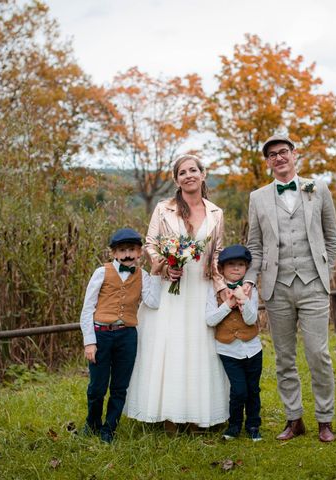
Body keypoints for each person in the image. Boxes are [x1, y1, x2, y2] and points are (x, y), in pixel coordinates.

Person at [245, 134, 336, 443]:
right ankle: (294, 419)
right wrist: (250, 280)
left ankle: (325, 420)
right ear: (268, 161)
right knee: (284, 357)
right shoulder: (257, 197)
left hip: (314, 285)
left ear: (294, 154)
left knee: (318, 354)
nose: (278, 158)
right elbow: (255, 247)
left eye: (283, 152)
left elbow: (332, 237)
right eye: (272, 155)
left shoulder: (318, 188)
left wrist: (325, 271)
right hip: (276, 287)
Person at [124, 154, 229, 430]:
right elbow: (150, 243)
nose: (189, 175)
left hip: (200, 287)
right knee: (168, 346)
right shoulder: (163, 209)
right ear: (176, 179)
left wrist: (220, 287)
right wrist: (164, 265)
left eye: (193, 170)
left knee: (198, 347)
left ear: (203, 174)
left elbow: (217, 252)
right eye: (183, 172)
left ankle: (196, 415)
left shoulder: (216, 212)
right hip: (171, 288)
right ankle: (168, 416)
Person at [79, 228, 164, 443]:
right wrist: (89, 342)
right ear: (114, 253)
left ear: (139, 252)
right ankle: (92, 424)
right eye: (122, 250)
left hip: (127, 336)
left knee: (120, 386)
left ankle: (110, 428)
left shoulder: (143, 275)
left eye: (132, 250)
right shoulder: (102, 272)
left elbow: (153, 302)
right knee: (97, 386)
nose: (127, 255)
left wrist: (154, 273)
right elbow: (87, 309)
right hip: (102, 335)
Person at [205, 244, 263, 442]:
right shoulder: (213, 292)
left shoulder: (250, 290)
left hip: (253, 349)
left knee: (253, 389)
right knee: (238, 390)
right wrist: (228, 305)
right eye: (231, 265)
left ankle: (254, 424)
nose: (236, 268)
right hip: (228, 350)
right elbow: (210, 320)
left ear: (246, 268)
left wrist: (243, 300)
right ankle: (234, 426)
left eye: (240, 264)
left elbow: (250, 319)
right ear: (221, 269)